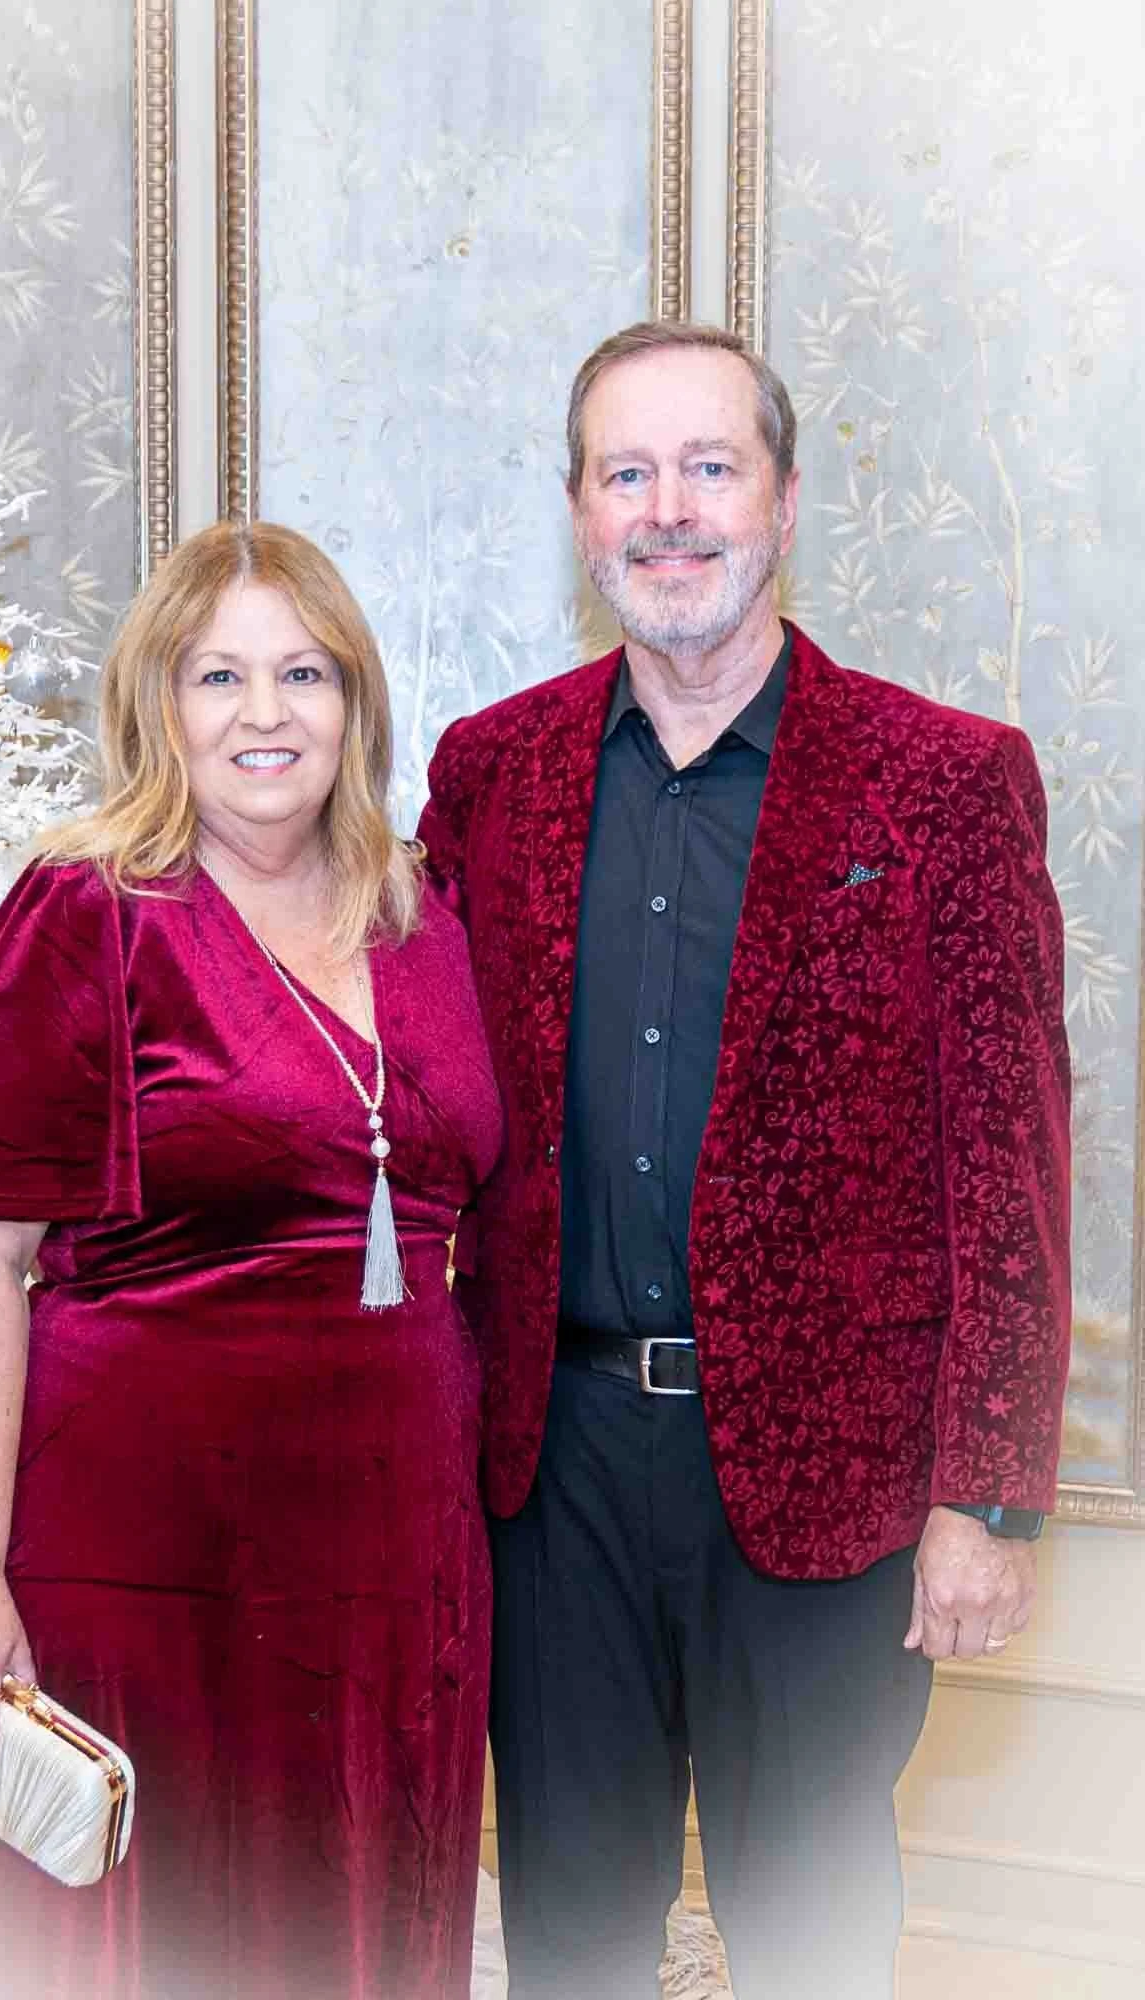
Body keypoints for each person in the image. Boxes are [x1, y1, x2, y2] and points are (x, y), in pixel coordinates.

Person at [418, 320, 1071, 2000]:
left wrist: (983, 1496)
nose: (671, 509)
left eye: (711, 466)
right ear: (579, 513)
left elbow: (1013, 1164)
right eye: (628, 472)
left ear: (782, 500)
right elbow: (405, 1093)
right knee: (567, 1933)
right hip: (548, 1471)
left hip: (831, 1483)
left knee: (813, 1940)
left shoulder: (945, 785)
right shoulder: (488, 776)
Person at [0, 521, 502, 2000]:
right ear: (156, 707)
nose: (264, 713)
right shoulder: (87, 912)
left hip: (392, 1564)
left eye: (303, 673)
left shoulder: (422, 912)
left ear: (355, 700)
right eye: (216, 675)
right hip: (146, 1561)